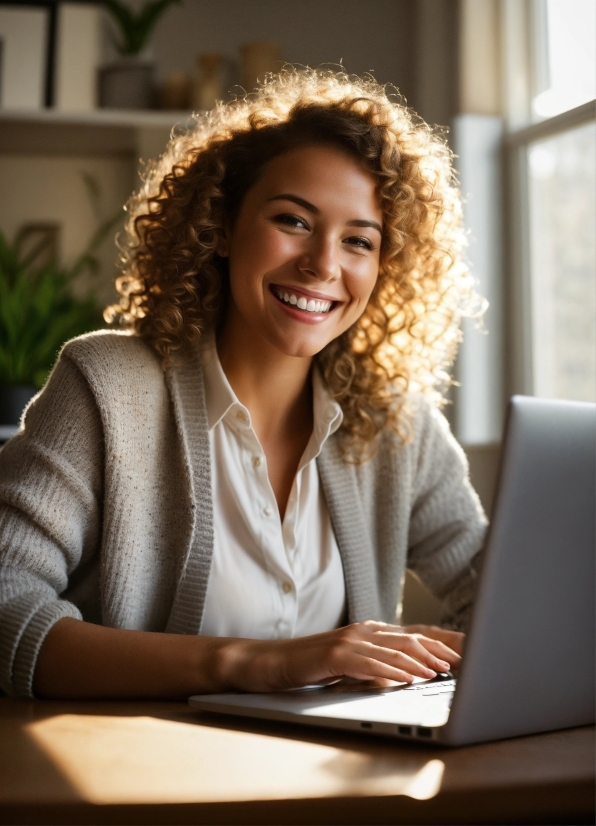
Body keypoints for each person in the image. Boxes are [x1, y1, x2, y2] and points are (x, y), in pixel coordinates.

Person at [0, 69, 487, 700]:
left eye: (359, 241)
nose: (323, 265)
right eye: (293, 220)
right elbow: (7, 597)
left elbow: (497, 597)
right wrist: (257, 662)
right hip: (143, 776)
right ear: (222, 226)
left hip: (343, 781)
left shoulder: (398, 423)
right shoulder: (108, 388)